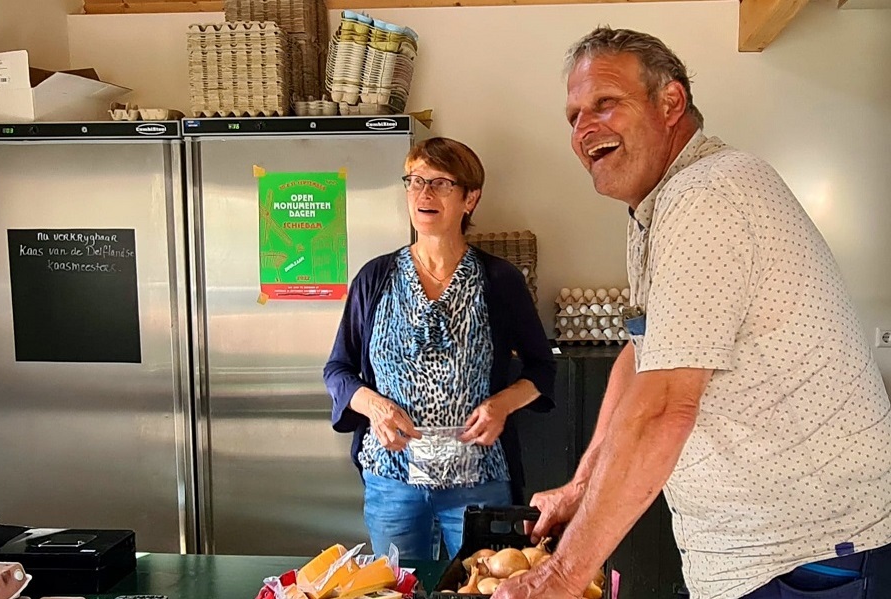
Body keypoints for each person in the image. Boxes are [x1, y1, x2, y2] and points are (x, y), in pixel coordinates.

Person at [496, 27, 891, 599]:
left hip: (808, 558)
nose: (585, 129)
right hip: (758, 556)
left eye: (606, 103)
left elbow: (663, 410)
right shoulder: (660, 204)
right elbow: (642, 352)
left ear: (671, 103)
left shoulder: (705, 195)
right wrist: (582, 485)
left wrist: (559, 577)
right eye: (574, 115)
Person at [323, 137, 556, 561]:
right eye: (415, 181)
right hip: (391, 481)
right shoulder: (375, 279)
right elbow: (338, 370)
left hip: (479, 483)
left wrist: (502, 405)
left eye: (441, 183)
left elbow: (541, 369)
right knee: (396, 588)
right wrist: (375, 406)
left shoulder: (499, 282)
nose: (424, 194)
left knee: (480, 586)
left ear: (471, 198)